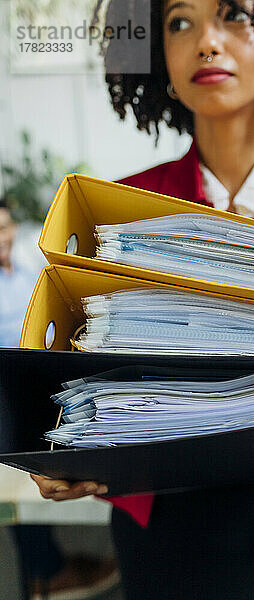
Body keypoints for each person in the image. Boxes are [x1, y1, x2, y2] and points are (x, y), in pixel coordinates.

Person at [30, 1, 254, 598]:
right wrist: (60, 442)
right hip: (154, 515)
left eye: (235, 15)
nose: (207, 41)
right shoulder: (118, 219)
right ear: (160, 62)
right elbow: (79, 364)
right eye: (179, 22)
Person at [0, 198, 119, 599]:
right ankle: (45, 572)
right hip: (9, 386)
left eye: (5, 226)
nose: (2, 236)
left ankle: (53, 566)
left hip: (44, 371)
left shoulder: (25, 275)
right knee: (23, 471)